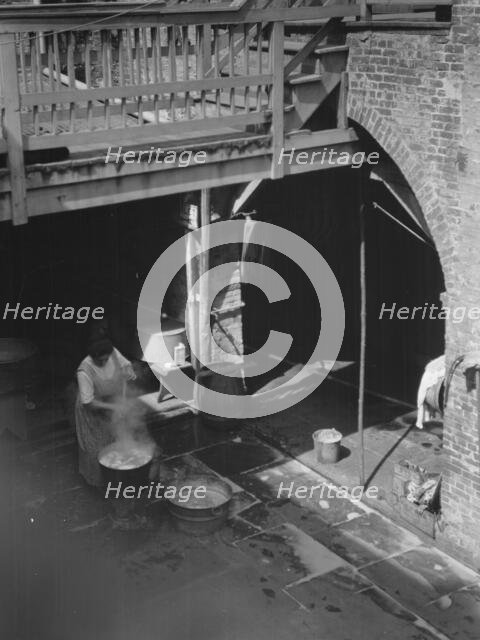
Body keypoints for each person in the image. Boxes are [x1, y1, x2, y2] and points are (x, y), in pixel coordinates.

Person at [75, 337, 136, 486]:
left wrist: (128, 373)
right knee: (94, 446)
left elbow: (125, 372)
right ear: (92, 357)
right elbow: (89, 403)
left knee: (114, 437)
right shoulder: (84, 371)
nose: (103, 363)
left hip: (110, 402)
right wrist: (115, 408)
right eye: (99, 361)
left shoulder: (113, 353)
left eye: (105, 359)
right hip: (92, 409)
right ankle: (97, 482)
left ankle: (117, 476)